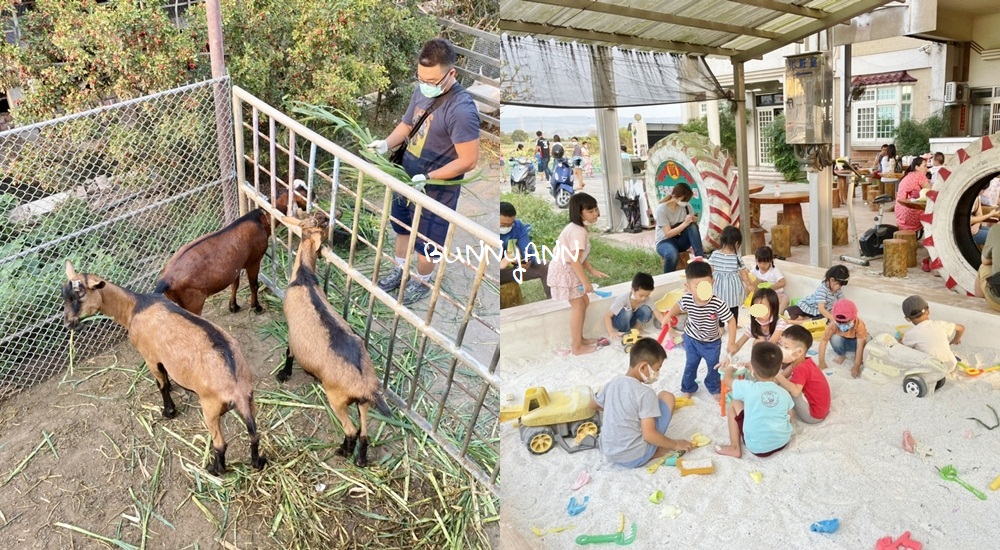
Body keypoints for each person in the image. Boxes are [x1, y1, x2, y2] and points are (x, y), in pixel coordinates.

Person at [368, 38, 480, 305]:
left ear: (451, 73)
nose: (426, 85)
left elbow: (469, 160)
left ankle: (421, 281)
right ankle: (399, 269)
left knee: (427, 241)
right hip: (406, 177)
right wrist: (386, 143)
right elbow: (407, 125)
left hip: (435, 190)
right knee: (403, 228)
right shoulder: (422, 90)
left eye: (432, 81)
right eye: (421, 78)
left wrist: (429, 177)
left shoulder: (461, 110)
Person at [590, 338, 694, 468]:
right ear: (643, 367)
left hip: (608, 451)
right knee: (667, 397)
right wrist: (676, 444)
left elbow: (593, 405)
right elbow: (649, 435)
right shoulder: (645, 393)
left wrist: (616, 406)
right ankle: (654, 451)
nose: (657, 374)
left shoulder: (612, 383)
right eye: (657, 368)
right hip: (634, 457)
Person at [661, 261, 737, 398]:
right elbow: (677, 306)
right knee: (690, 365)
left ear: (713, 282)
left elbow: (731, 321)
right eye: (698, 287)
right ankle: (688, 388)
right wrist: (669, 316)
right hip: (691, 340)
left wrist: (731, 342)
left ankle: (713, 387)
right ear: (688, 287)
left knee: (713, 367)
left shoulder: (717, 303)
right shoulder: (687, 299)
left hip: (712, 343)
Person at [546, 193, 609, 355]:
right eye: (590, 211)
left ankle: (579, 340)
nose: (595, 213)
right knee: (578, 306)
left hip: (569, 268)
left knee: (584, 302)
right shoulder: (578, 231)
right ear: (578, 212)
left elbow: (580, 257)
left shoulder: (579, 228)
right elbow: (574, 260)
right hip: (565, 270)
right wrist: (586, 281)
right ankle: (577, 347)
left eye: (595, 209)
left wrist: (592, 270)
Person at [714, 341, 794, 459]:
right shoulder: (784, 392)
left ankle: (734, 447)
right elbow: (790, 416)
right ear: (778, 370)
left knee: (734, 403)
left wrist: (730, 368)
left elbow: (727, 380)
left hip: (757, 447)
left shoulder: (748, 387)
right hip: (782, 441)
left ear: (753, 370)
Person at [775, 325, 830, 424]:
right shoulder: (802, 361)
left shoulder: (801, 368)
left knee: (787, 390)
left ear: (799, 352)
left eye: (786, 347)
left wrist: (776, 375)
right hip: (821, 409)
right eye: (780, 344)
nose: (781, 348)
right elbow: (788, 371)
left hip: (813, 415)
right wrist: (777, 379)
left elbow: (795, 391)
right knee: (784, 383)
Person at [899, 295, 965, 374]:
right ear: (928, 311)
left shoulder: (910, 334)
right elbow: (961, 328)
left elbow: (902, 349)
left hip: (933, 371)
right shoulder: (940, 324)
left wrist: (898, 341)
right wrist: (956, 339)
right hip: (951, 365)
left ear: (907, 318)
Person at [499, 202, 550, 299]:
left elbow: (528, 250)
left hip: (508, 270)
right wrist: (503, 263)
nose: (507, 228)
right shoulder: (487, 231)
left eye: (510, 224)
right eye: (503, 225)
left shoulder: (518, 226)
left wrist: (525, 261)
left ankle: (553, 304)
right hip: (492, 273)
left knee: (546, 267)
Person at [707, 226, 754, 322]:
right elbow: (743, 274)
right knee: (734, 307)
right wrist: (749, 284)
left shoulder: (715, 254)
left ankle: (720, 327)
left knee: (718, 306)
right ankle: (734, 323)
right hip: (733, 288)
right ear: (737, 243)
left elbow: (709, 270)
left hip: (718, 286)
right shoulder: (736, 257)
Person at [654, 183, 704, 273]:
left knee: (692, 226)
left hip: (681, 241)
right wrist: (685, 223)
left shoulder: (687, 207)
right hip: (664, 241)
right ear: (676, 196)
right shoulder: (661, 210)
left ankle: (699, 258)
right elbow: (668, 234)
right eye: (684, 199)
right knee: (672, 255)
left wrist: (693, 221)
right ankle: (667, 278)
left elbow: (692, 230)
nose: (686, 202)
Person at [603, 272, 664, 343]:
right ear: (633, 290)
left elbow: (658, 315)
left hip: (632, 320)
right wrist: (611, 332)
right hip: (620, 321)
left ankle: (636, 329)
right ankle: (625, 332)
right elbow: (607, 316)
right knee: (627, 311)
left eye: (647, 295)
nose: (643, 298)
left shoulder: (647, 300)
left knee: (647, 310)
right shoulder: (622, 299)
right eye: (641, 295)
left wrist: (668, 327)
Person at [817, 299, 868, 378]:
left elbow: (860, 345)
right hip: (843, 342)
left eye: (845, 322)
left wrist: (856, 365)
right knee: (834, 338)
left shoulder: (859, 324)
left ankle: (858, 356)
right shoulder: (833, 325)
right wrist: (821, 361)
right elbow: (823, 342)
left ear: (853, 318)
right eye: (838, 321)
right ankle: (842, 354)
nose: (841, 324)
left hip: (856, 343)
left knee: (868, 340)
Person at [895, 156, 931, 233]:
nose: (926, 169)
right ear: (917, 167)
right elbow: (931, 192)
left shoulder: (906, 176)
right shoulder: (920, 175)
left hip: (900, 216)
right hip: (912, 215)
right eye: (924, 166)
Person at [750, 246, 789, 315]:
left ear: (770, 261)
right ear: (756, 260)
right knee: (754, 281)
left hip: (774, 295)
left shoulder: (774, 271)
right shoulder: (755, 270)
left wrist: (770, 287)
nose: (762, 265)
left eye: (765, 263)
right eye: (759, 262)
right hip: (762, 296)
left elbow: (783, 282)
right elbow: (750, 279)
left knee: (785, 300)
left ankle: (776, 315)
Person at [977, 223, 1000, 312]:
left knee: (983, 267)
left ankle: (979, 305)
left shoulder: (996, 229)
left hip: (997, 301)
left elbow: (985, 261)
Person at [971, 179, 999, 246]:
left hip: (975, 227)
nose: (983, 192)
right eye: (982, 190)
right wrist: (990, 215)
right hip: (964, 231)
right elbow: (968, 220)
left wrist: (977, 225)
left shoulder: (978, 198)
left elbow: (979, 214)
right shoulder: (966, 199)